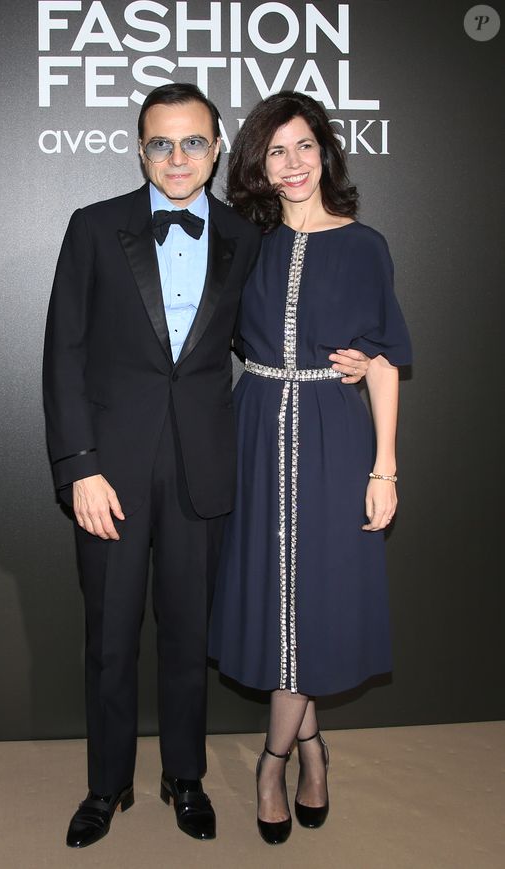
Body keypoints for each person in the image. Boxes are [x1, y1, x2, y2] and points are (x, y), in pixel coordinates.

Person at [43, 83, 370, 849]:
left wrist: (355, 359)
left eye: (194, 142)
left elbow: (283, 327)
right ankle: (107, 783)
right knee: (111, 637)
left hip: (207, 471)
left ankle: (183, 776)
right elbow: (63, 353)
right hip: (109, 478)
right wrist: (79, 465)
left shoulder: (245, 237)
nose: (179, 157)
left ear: (218, 147)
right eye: (162, 142)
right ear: (140, 148)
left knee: (189, 637)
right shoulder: (94, 229)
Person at [209, 90, 412, 845]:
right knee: (279, 603)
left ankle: (273, 760)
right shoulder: (241, 241)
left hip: (333, 432)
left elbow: (386, 358)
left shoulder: (365, 244)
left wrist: (385, 467)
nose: (291, 164)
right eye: (275, 150)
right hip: (256, 426)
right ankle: (314, 749)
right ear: (259, 163)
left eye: (304, 146)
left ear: (326, 150)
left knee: (314, 600)